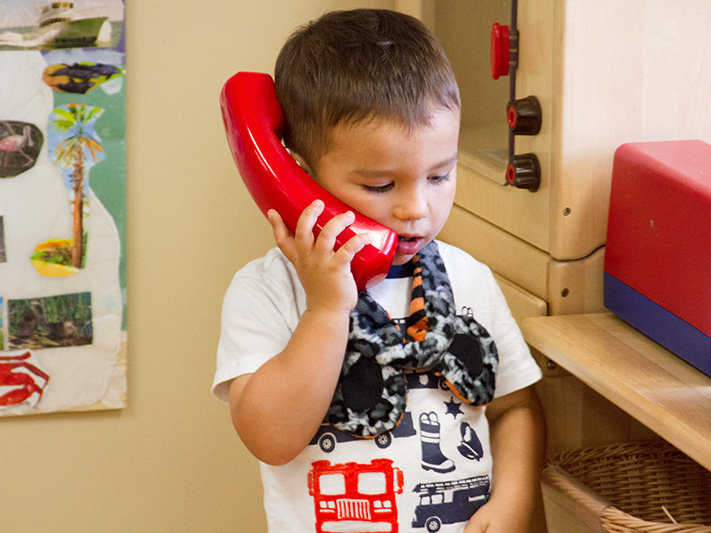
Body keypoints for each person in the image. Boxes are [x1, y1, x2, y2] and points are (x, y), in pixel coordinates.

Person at [213, 9, 545, 532]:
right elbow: (271, 440)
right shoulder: (267, 292)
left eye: (440, 175)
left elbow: (515, 407)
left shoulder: (470, 279)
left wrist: (514, 497)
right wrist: (326, 308)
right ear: (299, 179)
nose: (418, 208)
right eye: (380, 186)